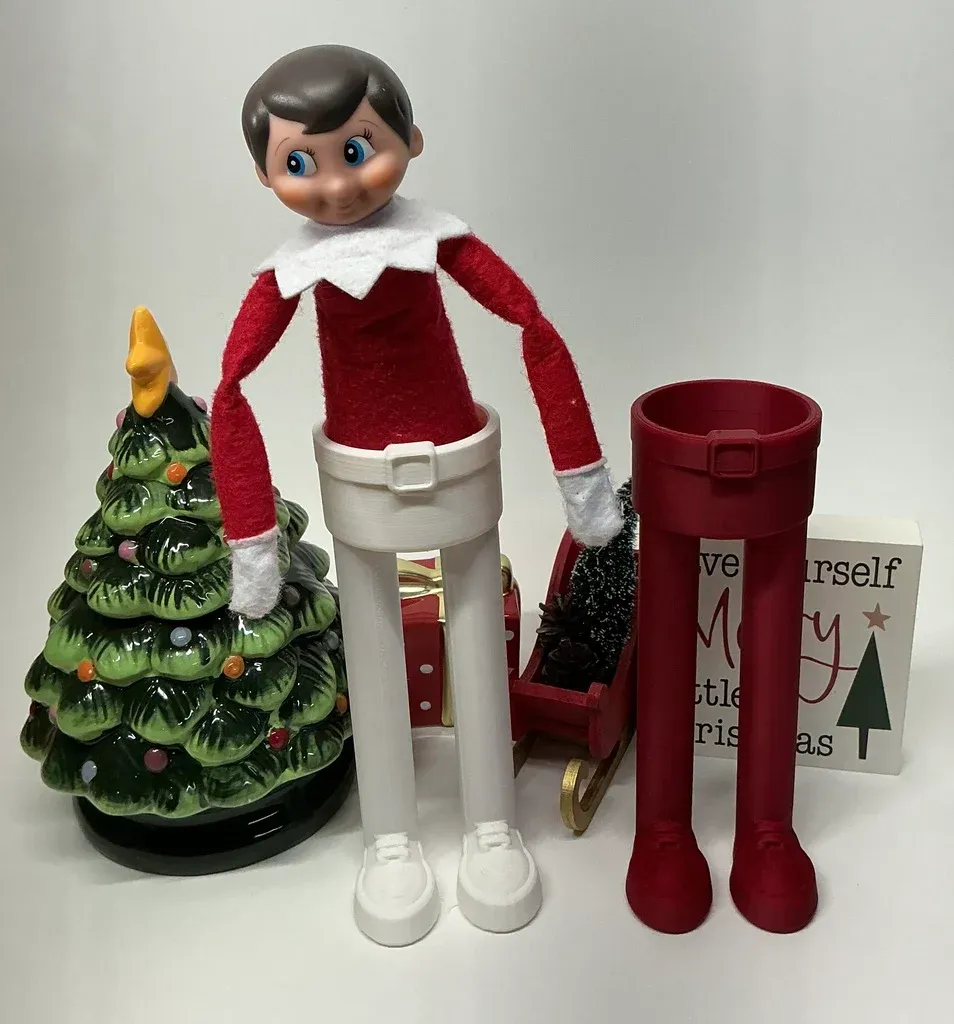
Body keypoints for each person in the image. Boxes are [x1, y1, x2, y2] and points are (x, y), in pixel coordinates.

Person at [210, 44, 623, 946]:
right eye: (300, 163)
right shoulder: (290, 273)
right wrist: (252, 541)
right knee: (371, 646)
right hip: (357, 477)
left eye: (357, 150)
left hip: (459, 462)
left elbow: (531, 323)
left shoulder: (437, 239)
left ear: (412, 139)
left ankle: (492, 825)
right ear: (265, 177)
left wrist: (579, 477)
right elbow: (232, 387)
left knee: (474, 633)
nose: (335, 185)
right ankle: (389, 837)